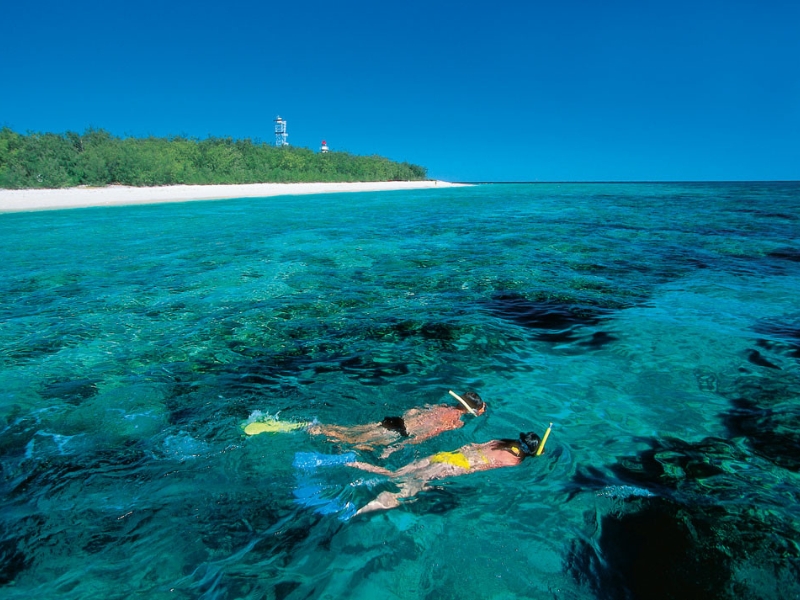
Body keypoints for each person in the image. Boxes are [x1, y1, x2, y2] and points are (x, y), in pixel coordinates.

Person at [346, 431, 542, 515]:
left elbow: (471, 446)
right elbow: (481, 468)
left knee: (395, 474)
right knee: (407, 490)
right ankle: (356, 512)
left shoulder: (499, 441)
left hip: (446, 455)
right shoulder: (514, 461)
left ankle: (355, 464)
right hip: (457, 465)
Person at [306, 391, 487, 457]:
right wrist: (397, 447)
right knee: (352, 442)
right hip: (400, 432)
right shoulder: (455, 422)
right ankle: (320, 433)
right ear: (471, 410)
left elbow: (414, 411)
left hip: (396, 420)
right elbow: (427, 435)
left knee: (351, 430)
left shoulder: (442, 406)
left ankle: (317, 426)